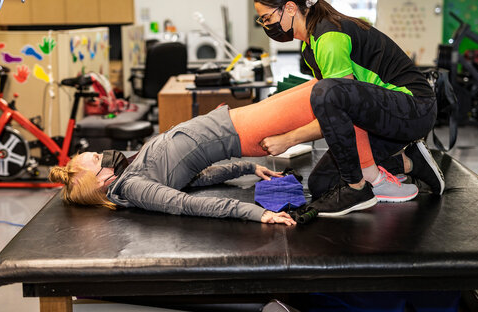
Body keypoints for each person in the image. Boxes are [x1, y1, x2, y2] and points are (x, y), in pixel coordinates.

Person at [50, 81, 379, 225]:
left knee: (325, 90)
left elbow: (198, 178)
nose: (101, 154)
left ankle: (390, 150)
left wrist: (249, 170)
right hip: (241, 130)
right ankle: (387, 160)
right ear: (101, 184)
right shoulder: (134, 189)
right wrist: (256, 213)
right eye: (95, 160)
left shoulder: (132, 171)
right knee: (332, 95)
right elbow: (185, 204)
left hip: (235, 121)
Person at [254, 0, 444, 216]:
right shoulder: (309, 44)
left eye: (267, 18)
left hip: (414, 108)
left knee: (328, 93)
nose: (267, 25)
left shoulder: (329, 38)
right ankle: (410, 161)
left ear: (290, 8)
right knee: (322, 184)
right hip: (382, 116)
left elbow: (336, 106)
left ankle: (359, 188)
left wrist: (289, 139)